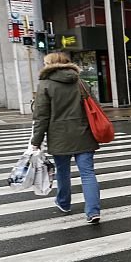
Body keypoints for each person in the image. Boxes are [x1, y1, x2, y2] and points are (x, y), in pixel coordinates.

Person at [31, 52, 102, 224]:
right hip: (84, 133)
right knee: (88, 173)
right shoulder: (81, 83)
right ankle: (93, 212)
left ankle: (64, 203)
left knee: (63, 172)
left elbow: (41, 116)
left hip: (59, 136)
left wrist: (36, 142)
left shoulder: (45, 85)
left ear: (50, 64)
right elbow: (95, 107)